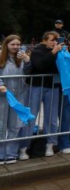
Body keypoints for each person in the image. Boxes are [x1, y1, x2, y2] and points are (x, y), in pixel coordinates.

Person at [26, 31, 64, 157]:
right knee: (31, 116)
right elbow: (40, 65)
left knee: (51, 118)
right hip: (36, 86)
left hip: (53, 87)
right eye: (52, 40)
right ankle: (25, 145)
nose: (55, 42)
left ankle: (50, 144)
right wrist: (53, 52)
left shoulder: (59, 52)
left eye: (56, 40)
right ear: (44, 40)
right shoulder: (37, 51)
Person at [0, 35, 32, 164]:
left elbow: (29, 74)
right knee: (1, 125)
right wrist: (1, 85)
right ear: (6, 44)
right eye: (12, 44)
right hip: (3, 96)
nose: (15, 47)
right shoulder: (1, 57)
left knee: (15, 125)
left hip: (19, 95)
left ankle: (11, 153)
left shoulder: (22, 58)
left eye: (18, 44)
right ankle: (1, 154)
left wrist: (28, 61)